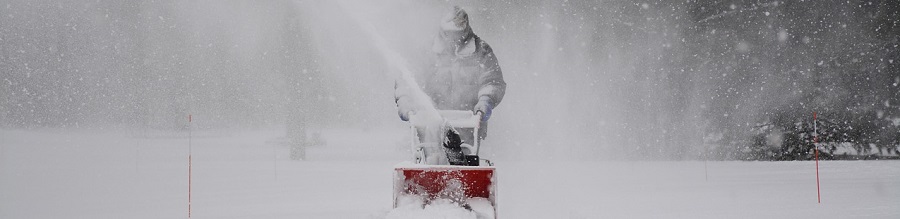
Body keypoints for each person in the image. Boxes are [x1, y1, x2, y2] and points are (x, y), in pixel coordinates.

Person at [394, 6, 506, 165]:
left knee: (465, 163)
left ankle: (464, 187)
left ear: (466, 30)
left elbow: (492, 80)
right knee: (432, 162)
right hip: (430, 123)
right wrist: (406, 102)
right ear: (442, 31)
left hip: (469, 121)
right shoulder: (427, 51)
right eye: (449, 34)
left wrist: (485, 101)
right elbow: (408, 80)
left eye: (458, 34)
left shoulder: (481, 51)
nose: (454, 39)